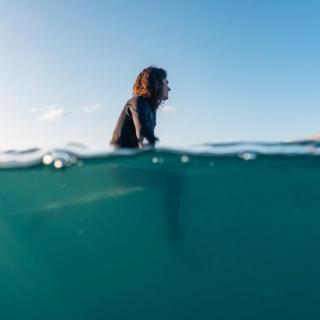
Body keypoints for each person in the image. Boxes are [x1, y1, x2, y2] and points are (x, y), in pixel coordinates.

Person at [110, 66, 170, 149]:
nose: (169, 88)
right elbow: (144, 135)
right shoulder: (139, 101)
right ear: (157, 83)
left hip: (133, 158)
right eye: (166, 83)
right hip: (120, 159)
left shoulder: (151, 110)